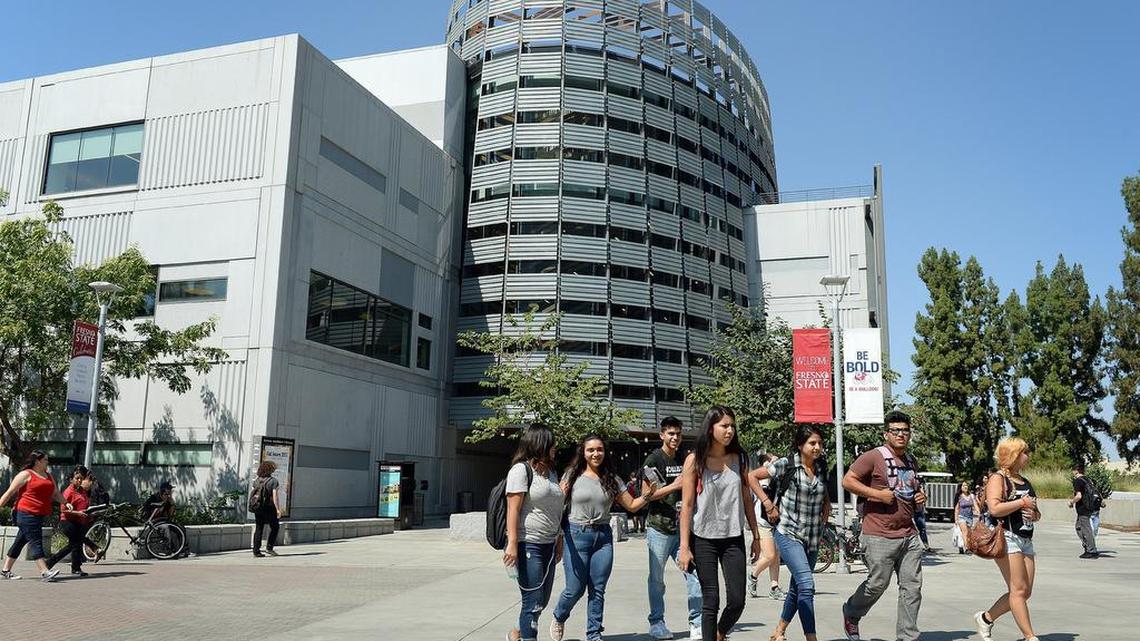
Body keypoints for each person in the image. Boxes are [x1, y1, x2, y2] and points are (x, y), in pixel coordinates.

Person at [548, 434, 658, 641]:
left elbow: (632, 505)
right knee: (574, 589)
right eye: (591, 450)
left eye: (599, 449)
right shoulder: (572, 475)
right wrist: (558, 536)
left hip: (603, 538)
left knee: (597, 590)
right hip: (576, 535)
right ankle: (559, 615)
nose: (596, 453)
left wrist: (647, 495)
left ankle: (594, 634)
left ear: (605, 452)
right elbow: (557, 506)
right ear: (583, 452)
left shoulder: (612, 479)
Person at [841, 409, 926, 641]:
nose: (901, 435)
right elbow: (847, 481)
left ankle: (907, 636)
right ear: (886, 434)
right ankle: (851, 612)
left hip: (908, 534)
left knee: (912, 588)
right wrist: (877, 495)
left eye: (905, 431)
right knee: (877, 584)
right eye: (896, 431)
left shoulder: (911, 460)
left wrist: (920, 497)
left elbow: (912, 490)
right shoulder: (873, 456)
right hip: (878, 533)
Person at [678, 406, 761, 641]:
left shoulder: (740, 458)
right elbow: (686, 506)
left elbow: (746, 498)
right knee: (710, 601)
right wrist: (684, 547)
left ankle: (719, 633)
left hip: (733, 537)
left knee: (737, 600)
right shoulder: (695, 461)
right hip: (703, 538)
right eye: (724, 425)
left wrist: (755, 535)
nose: (730, 430)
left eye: (732, 426)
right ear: (711, 427)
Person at [750, 425, 830, 641]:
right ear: (800, 445)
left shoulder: (822, 466)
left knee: (797, 588)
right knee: (806, 585)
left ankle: (779, 631)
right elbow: (751, 477)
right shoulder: (787, 464)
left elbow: (824, 493)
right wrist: (767, 504)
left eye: (820, 443)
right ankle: (811, 638)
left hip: (813, 537)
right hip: (788, 533)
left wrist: (827, 510)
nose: (817, 447)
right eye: (812, 443)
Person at [973, 437, 1042, 641]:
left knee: (1024, 591)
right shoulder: (998, 478)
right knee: (1018, 590)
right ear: (1013, 455)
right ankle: (1030, 636)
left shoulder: (1025, 481)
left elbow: (1036, 511)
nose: (1027, 456)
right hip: (1007, 537)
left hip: (1025, 539)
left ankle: (985, 618)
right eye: (1024, 452)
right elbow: (994, 508)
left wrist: (1034, 514)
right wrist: (1022, 503)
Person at [642, 416, 704, 640]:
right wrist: (674, 486)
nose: (675, 437)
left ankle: (696, 622)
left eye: (678, 433)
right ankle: (657, 622)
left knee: (694, 574)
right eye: (670, 433)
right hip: (659, 528)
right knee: (657, 579)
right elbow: (646, 495)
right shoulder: (654, 459)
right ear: (662, 435)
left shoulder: (685, 457)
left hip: (682, 530)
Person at [503, 424, 564, 641]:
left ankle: (517, 634)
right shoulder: (521, 470)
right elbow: (513, 509)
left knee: (542, 600)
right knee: (533, 599)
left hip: (549, 543)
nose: (555, 447)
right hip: (527, 543)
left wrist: (560, 538)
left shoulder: (551, 473)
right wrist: (512, 543)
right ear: (540, 443)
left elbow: (556, 509)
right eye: (552, 443)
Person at [0, 450, 70, 581]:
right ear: (37, 461)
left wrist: (66, 502)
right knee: (36, 540)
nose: (48, 462)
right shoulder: (26, 474)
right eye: (45, 460)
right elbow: (10, 492)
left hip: (39, 514)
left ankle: (5, 570)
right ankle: (44, 571)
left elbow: (55, 493)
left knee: (20, 541)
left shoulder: (48, 476)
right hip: (24, 512)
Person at [45, 466, 99, 576]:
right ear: (71, 479)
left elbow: (84, 506)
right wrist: (78, 513)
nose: (79, 480)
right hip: (67, 522)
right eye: (77, 478)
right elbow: (63, 510)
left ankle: (66, 566)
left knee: (75, 544)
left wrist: (90, 513)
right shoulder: (68, 492)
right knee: (75, 544)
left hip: (78, 522)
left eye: (81, 478)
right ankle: (68, 566)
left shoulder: (82, 491)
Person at [748, 451, 784, 601]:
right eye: (771, 461)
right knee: (769, 555)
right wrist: (770, 465)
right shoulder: (763, 479)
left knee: (775, 556)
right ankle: (753, 575)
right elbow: (764, 493)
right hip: (763, 521)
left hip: (777, 521)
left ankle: (774, 587)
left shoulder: (777, 477)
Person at [252, 461, 283, 557]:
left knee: (259, 527)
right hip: (269, 507)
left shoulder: (257, 480)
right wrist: (278, 509)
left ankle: (256, 550)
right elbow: (275, 497)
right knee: (275, 527)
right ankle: (269, 548)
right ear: (270, 470)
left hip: (258, 507)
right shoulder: (273, 481)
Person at [1068, 463, 1099, 559]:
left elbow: (1079, 496)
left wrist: (1071, 502)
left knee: (1086, 529)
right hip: (1090, 507)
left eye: (1073, 470)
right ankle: (1088, 546)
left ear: (1076, 471)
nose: (1072, 472)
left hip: (1083, 508)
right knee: (1078, 527)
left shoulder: (1077, 481)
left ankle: (1091, 550)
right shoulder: (1088, 479)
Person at [954, 481, 977, 554]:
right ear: (960, 487)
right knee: (965, 532)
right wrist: (956, 519)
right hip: (961, 517)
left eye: (966, 485)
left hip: (970, 517)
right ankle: (967, 548)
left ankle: (961, 546)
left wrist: (978, 512)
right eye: (963, 486)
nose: (965, 487)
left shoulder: (971, 496)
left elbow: (975, 504)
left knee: (969, 533)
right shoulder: (959, 496)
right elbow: (957, 509)